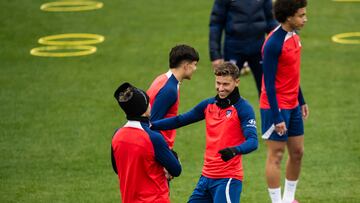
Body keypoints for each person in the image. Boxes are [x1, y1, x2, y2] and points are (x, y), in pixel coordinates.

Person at [151, 62, 258, 203]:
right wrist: (150, 126)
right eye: (218, 83)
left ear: (236, 82)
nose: (220, 89)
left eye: (225, 84)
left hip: (227, 179)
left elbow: (253, 141)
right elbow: (180, 120)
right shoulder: (208, 105)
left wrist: (234, 150)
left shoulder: (244, 109)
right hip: (206, 178)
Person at [260, 0, 309, 203]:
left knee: (297, 152)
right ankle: (276, 201)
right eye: (301, 15)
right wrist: (277, 115)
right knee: (277, 155)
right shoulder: (273, 43)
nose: (305, 19)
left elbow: (291, 74)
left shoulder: (294, 37)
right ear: (288, 16)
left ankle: (288, 199)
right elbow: (269, 84)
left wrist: (301, 99)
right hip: (275, 107)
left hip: (293, 105)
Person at [111, 82, 182, 203]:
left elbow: (117, 168)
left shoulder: (117, 135)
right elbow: (176, 169)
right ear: (145, 108)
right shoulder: (153, 137)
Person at [209, 0, 278, 96]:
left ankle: (269, 111)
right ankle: (224, 111)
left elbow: (271, 21)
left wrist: (285, 40)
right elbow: (216, 23)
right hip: (233, 50)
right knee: (226, 90)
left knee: (267, 91)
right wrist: (215, 54)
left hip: (259, 50)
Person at [147, 44, 199, 149]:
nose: (195, 68)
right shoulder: (169, 90)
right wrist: (165, 155)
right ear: (186, 65)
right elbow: (151, 125)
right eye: (194, 64)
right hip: (159, 147)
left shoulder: (162, 79)